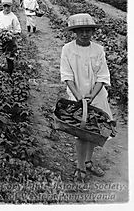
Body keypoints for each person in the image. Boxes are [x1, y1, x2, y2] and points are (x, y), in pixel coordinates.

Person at [60, 13, 113, 181]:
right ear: (75, 32)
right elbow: (67, 76)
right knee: (81, 132)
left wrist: (91, 96)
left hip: (96, 97)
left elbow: (102, 77)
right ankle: (80, 166)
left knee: (94, 132)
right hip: (76, 97)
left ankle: (88, 162)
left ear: (92, 32)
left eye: (88, 30)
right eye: (81, 31)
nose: (85, 34)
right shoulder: (68, 49)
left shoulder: (98, 50)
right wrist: (80, 98)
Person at [0, 0, 21, 76]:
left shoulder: (13, 17)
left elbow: (18, 30)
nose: (6, 8)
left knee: (9, 58)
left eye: (8, 6)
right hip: (0, 39)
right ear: (2, 6)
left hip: (9, 41)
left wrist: (10, 34)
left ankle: (10, 74)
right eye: (5, 6)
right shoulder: (0, 14)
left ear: (11, 6)